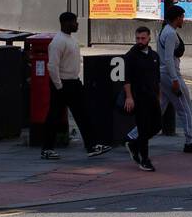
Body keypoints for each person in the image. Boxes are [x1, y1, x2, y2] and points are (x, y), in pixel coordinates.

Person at [41, 11, 111, 160]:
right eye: (74, 22)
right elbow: (52, 66)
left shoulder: (71, 39)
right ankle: (47, 149)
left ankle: (92, 146)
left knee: (83, 114)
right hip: (63, 83)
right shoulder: (58, 42)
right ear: (66, 23)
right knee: (54, 116)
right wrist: (59, 86)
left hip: (73, 82)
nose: (77, 24)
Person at [158, 4, 192, 154]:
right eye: (182, 17)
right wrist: (174, 80)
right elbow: (168, 59)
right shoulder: (171, 34)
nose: (183, 20)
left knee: (158, 109)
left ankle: (133, 136)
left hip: (162, 75)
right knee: (186, 109)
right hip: (171, 75)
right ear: (177, 18)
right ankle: (190, 141)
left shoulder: (164, 31)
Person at [122, 25, 162, 171]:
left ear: (149, 38)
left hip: (152, 96)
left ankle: (133, 144)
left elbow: (157, 79)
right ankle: (144, 160)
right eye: (137, 38)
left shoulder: (154, 56)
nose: (140, 41)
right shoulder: (131, 56)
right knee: (144, 129)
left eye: (143, 38)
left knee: (157, 125)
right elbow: (126, 79)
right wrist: (129, 97)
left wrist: (158, 97)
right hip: (139, 97)